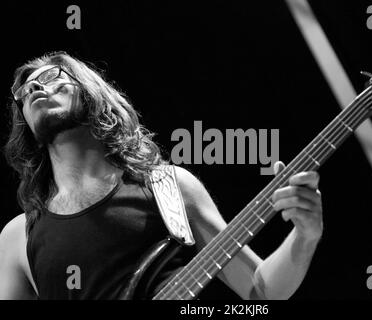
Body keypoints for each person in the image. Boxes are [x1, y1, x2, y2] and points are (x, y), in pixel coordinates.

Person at [0, 51, 323, 300]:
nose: (37, 88)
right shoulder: (18, 237)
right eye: (26, 90)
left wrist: (304, 236)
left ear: (90, 91)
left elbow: (261, 291)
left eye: (55, 76)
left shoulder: (169, 187)